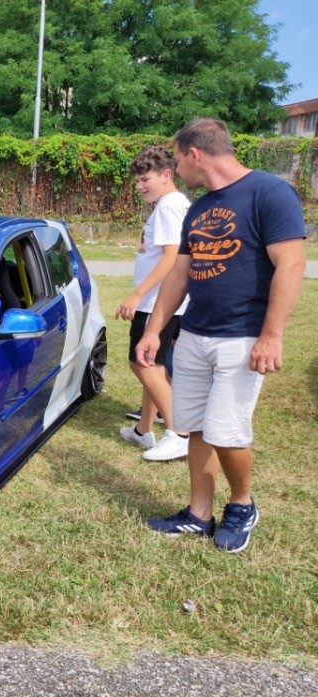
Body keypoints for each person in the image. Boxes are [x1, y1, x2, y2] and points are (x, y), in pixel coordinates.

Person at [136, 118, 306, 553]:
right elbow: (180, 273)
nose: (177, 169)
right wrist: (155, 329)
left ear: (195, 154)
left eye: (177, 160)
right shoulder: (198, 207)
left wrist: (272, 335)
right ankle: (197, 514)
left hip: (243, 336)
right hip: (194, 334)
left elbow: (291, 265)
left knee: (227, 432)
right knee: (194, 428)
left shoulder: (270, 193)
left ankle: (243, 504)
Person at [116, 147, 190, 461]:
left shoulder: (169, 207)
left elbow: (172, 258)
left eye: (145, 179)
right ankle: (143, 430)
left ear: (166, 175)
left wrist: (137, 295)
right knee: (154, 366)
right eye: (137, 181)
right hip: (168, 301)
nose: (140, 186)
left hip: (156, 302)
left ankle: (178, 432)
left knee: (141, 361)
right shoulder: (174, 204)